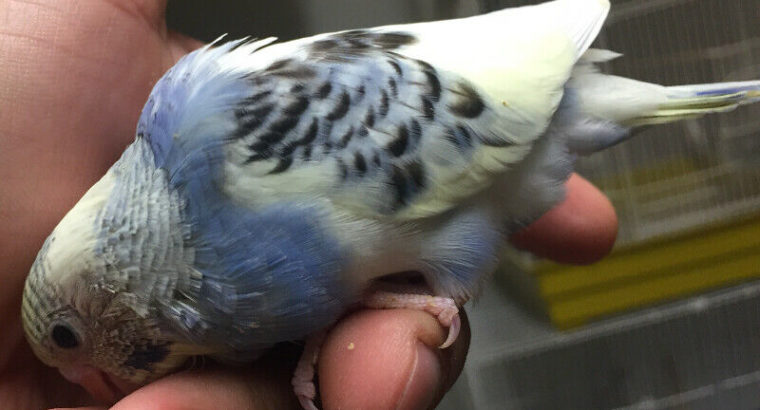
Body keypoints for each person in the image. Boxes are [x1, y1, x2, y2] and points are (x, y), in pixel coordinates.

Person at [0, 1, 618, 408]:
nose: (88, 380)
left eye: (70, 337)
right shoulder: (209, 267)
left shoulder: (235, 172)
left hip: (522, 112)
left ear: (100, 275)